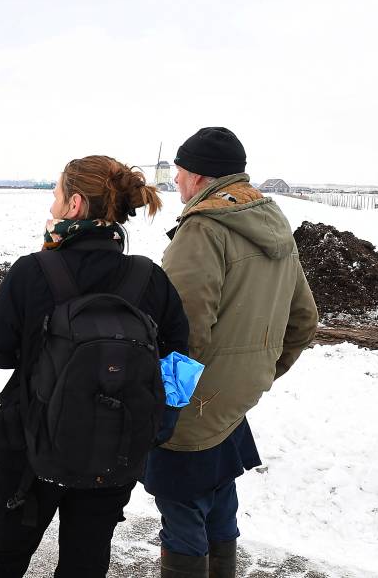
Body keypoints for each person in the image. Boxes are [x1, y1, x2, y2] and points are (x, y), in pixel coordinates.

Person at [0, 155, 191, 577]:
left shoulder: (33, 270)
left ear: (74, 205)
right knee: (85, 565)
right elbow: (178, 355)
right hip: (114, 452)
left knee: (1, 563)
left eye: (56, 196)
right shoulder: (149, 278)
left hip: (33, 447)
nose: (51, 206)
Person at [146, 127, 318, 578]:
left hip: (192, 405)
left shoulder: (202, 229)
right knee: (220, 503)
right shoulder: (273, 224)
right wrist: (258, 370)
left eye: (180, 174)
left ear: (199, 177)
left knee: (183, 514)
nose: (177, 183)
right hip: (234, 401)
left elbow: (183, 334)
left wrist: (163, 403)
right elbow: (304, 319)